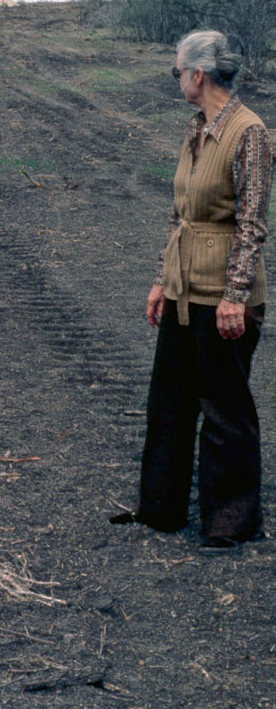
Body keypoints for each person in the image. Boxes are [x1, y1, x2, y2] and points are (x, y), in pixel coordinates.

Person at [111, 29, 272, 551]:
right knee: (170, 399)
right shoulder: (197, 129)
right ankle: (161, 507)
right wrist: (162, 280)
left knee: (224, 407)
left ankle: (229, 521)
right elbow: (179, 215)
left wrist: (235, 296)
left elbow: (251, 224)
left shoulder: (249, 132)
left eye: (178, 71)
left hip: (223, 293)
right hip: (184, 287)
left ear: (198, 75)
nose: (177, 79)